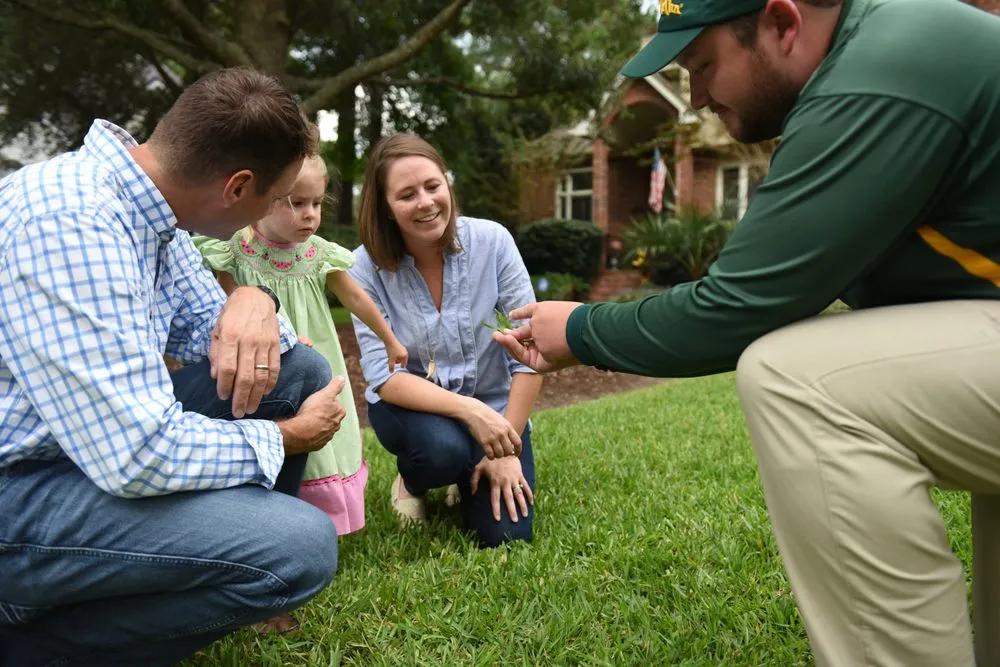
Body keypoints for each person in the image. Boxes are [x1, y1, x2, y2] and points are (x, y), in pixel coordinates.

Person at [494, 0, 1000, 664]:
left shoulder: (879, 72)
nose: (697, 97)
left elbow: (736, 307)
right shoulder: (889, 52)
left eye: (704, 66)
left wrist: (580, 326)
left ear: (783, 23)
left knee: (801, 381)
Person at [0, 67, 349, 667]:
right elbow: (136, 456)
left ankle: (172, 567)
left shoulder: (152, 213)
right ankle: (30, 643)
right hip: (20, 489)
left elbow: (258, 344)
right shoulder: (70, 223)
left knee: (297, 373)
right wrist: (284, 439)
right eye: (276, 198)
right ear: (238, 188)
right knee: (298, 547)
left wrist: (253, 298)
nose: (271, 214)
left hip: (80, 456)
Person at [194, 150, 408, 540]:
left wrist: (390, 339)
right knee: (265, 424)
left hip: (319, 357)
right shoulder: (235, 249)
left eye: (316, 203)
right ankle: (262, 515)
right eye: (297, 203)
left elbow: (357, 299)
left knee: (321, 428)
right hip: (258, 360)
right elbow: (225, 301)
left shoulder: (317, 254)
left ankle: (323, 521)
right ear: (264, 200)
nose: (310, 215)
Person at [350, 133, 542, 548]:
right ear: (385, 206)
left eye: (432, 186)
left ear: (447, 184)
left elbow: (530, 354)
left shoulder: (493, 242)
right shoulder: (362, 268)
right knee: (440, 451)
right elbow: (386, 376)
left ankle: (468, 469)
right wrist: (469, 411)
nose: (425, 202)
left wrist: (506, 450)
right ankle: (414, 481)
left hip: (495, 410)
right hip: (411, 407)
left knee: (505, 537)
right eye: (406, 194)